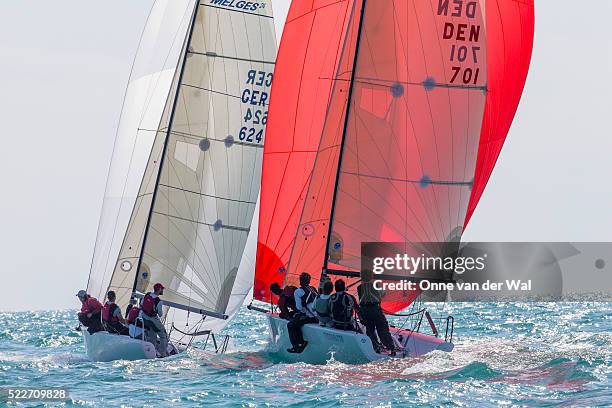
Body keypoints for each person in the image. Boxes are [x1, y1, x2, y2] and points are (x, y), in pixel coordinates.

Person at [357, 269, 396, 355]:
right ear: (372, 276)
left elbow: (361, 298)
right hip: (375, 310)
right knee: (382, 329)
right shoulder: (376, 285)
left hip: (365, 311)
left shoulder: (359, 287)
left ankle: (375, 348)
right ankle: (391, 348)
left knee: (370, 330)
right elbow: (383, 294)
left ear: (361, 277)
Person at [286, 272, 318, 353]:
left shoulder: (298, 291)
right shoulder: (313, 289)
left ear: (300, 280)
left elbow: (299, 308)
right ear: (309, 281)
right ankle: (301, 342)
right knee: (297, 321)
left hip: (311, 317)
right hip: (318, 317)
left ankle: (296, 346)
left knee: (290, 325)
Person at [141, 283, 169, 357]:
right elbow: (160, 314)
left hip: (145, 319)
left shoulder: (147, 295)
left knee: (152, 335)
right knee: (164, 336)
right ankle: (162, 353)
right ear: (159, 289)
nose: (162, 290)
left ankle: (151, 352)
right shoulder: (158, 301)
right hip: (153, 319)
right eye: (162, 289)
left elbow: (141, 304)